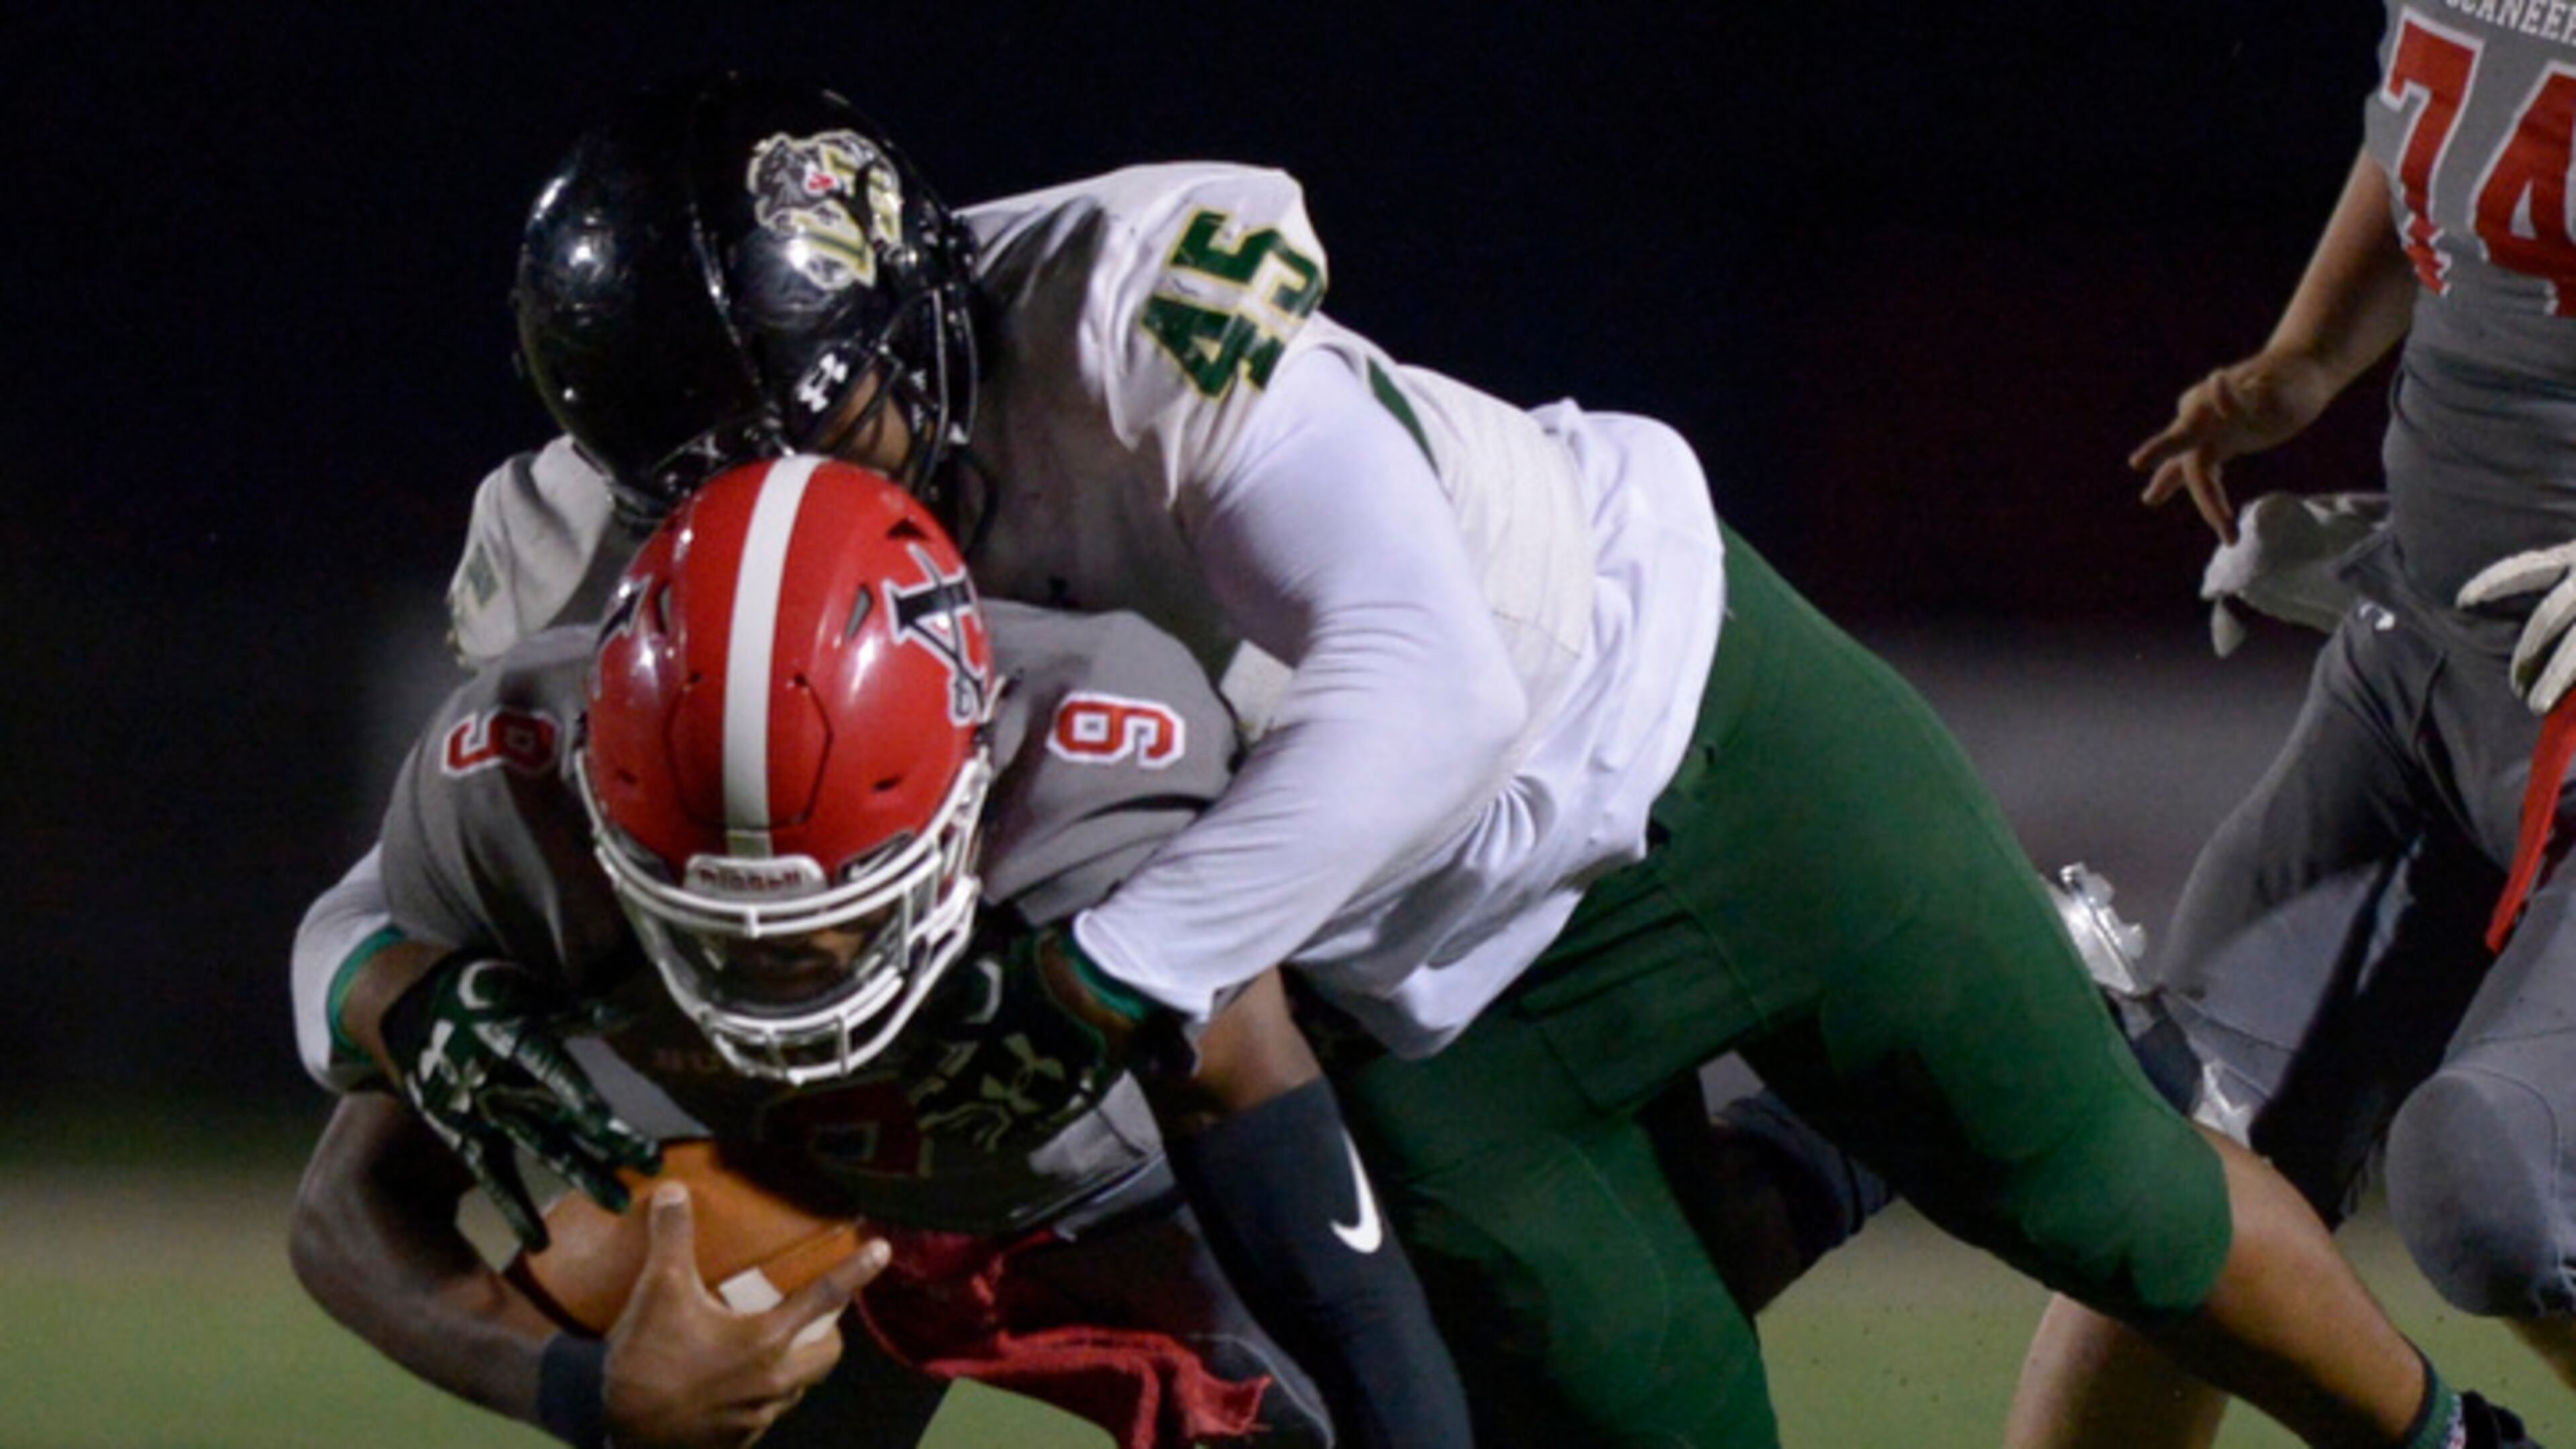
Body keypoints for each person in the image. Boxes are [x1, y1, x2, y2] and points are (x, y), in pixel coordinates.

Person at [379, 71, 2548, 1446]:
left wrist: (1110, 969)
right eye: (707, 485)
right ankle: (1825, 1158)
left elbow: (1424, 680)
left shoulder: (1129, 316)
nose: (794, 507)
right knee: (1636, 1412)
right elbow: (399, 892)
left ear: (922, 315)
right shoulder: (606, 550)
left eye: (831, 428)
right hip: (1400, 975)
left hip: (1675, 711)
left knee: (2113, 1199)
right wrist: (415, 1004)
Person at [291, 457, 1466, 1448]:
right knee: (667, 1358)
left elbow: (1308, 1214)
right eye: (705, 919)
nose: (776, 969)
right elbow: (346, 1208)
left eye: (843, 905)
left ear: (977, 785)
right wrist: (585, 1393)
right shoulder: (514, 799)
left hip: (1114, 1208)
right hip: (792, 1206)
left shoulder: (1096, 780)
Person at [2007, 3, 2576, 1444]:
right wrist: (2311, 353)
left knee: (2495, 1189)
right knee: (2169, 1174)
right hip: (2422, 660)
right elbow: (2444, 123)